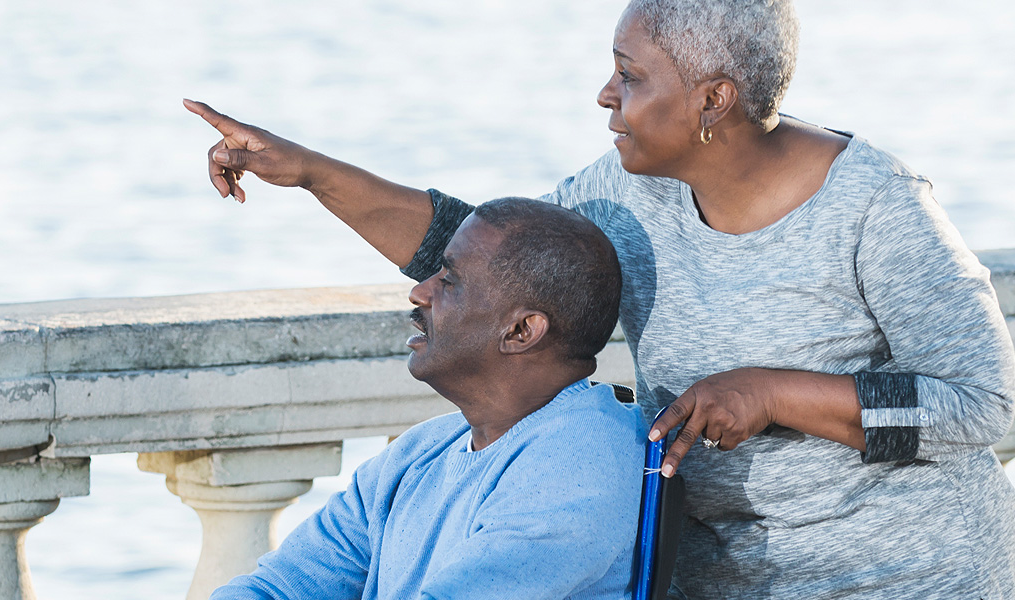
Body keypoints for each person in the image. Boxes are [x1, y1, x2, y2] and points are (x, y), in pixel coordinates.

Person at [185, 0, 1015, 596]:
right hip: (722, 579)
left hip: (913, 577)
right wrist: (311, 173)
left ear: (712, 99)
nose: (605, 95)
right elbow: (493, 258)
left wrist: (774, 393)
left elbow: (988, 406)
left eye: (629, 75)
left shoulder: (875, 205)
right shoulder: (627, 191)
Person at [209, 198, 647, 600]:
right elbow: (282, 586)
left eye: (450, 281)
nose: (420, 292)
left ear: (521, 331)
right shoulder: (421, 451)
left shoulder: (584, 460)